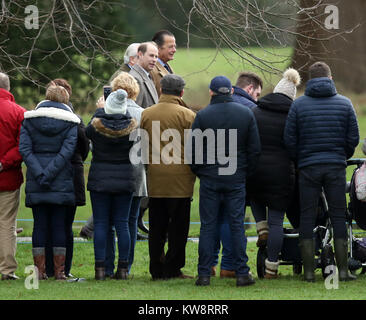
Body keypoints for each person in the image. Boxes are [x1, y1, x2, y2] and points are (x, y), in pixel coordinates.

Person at [284, 61, 359, 282]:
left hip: (308, 167)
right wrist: (340, 156)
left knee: (307, 215)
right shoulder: (345, 103)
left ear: (309, 80)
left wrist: (302, 158)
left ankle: (308, 272)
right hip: (335, 167)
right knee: (338, 216)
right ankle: (343, 270)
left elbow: (289, 139)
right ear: (330, 79)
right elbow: (352, 138)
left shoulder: (298, 105)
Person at [189, 76, 261, 287]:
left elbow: (193, 153)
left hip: (210, 178)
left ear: (211, 92)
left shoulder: (202, 116)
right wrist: (244, 172)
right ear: (230, 91)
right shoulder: (246, 113)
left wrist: (202, 172)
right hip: (236, 178)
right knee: (237, 225)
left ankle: (204, 273)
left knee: (207, 226)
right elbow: (254, 150)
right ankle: (241, 273)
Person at [82, 72, 147, 277]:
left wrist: (100, 111)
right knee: (123, 224)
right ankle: (123, 268)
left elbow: (86, 133)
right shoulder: (133, 127)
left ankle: (101, 268)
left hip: (100, 179)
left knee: (101, 224)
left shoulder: (96, 125)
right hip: (126, 180)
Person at [19, 85, 80, 280]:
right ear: (65, 100)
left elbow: (25, 150)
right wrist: (51, 173)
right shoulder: (71, 124)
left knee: (39, 225)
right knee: (59, 226)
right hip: (60, 180)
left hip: (37, 181)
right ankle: (60, 272)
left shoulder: (29, 122)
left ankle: (39, 272)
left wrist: (39, 173)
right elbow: (67, 152)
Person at [140, 74, 196, 280]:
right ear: (181, 92)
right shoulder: (188, 116)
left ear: (161, 90)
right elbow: (194, 149)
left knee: (156, 227)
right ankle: (173, 268)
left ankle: (156, 268)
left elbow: (141, 147)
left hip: (155, 178)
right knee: (178, 228)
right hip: (181, 180)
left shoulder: (146, 114)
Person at [246, 68, 300, 278]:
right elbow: (295, 147)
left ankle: (261, 228)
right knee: (277, 221)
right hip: (281, 173)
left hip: (256, 169)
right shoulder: (293, 116)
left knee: (257, 197)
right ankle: (271, 267)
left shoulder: (255, 112)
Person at [211, 71, 263, 278]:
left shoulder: (212, 109)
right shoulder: (251, 110)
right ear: (249, 89)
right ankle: (229, 265)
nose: (257, 98)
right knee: (232, 220)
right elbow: (254, 147)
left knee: (212, 220)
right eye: (257, 94)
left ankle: (210, 265)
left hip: (212, 172)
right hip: (236, 173)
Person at [44, 79, 89, 279]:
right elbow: (84, 147)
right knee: (65, 225)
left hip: (44, 175)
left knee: (45, 224)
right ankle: (63, 269)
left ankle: (46, 269)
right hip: (70, 174)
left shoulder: (37, 117)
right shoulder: (75, 120)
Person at [0, 72, 26, 281]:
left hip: (7, 174)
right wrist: (4, 162)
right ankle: (7, 269)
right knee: (7, 224)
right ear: (8, 88)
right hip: (8, 176)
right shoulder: (19, 113)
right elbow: (22, 146)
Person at [129, 41, 159, 109]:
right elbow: (135, 111)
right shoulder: (135, 79)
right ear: (140, 55)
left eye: (156, 57)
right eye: (151, 56)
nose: (154, 60)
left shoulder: (147, 75)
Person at [150, 30, 176, 96]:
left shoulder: (167, 67)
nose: (174, 50)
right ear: (157, 48)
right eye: (170, 47)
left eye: (174, 46)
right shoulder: (151, 69)